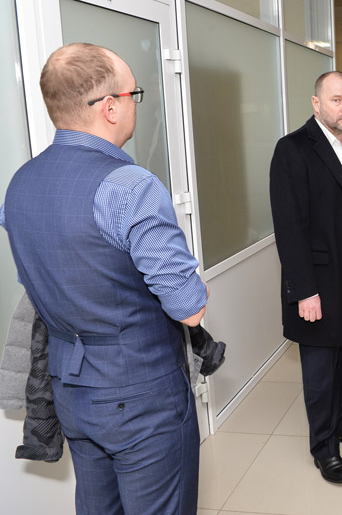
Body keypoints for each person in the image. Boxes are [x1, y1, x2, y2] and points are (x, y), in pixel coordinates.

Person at [1, 43, 208, 513]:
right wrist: (195, 288)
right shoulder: (130, 186)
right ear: (110, 107)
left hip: (70, 390)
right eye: (134, 94)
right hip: (142, 395)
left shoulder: (20, 184)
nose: (136, 104)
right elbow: (189, 308)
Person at [269, 71, 342, 484]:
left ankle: (339, 422)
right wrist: (305, 291)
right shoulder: (294, 149)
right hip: (317, 282)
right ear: (316, 103)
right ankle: (324, 448)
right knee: (320, 372)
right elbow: (289, 228)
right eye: (336, 100)